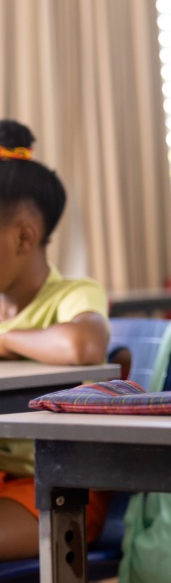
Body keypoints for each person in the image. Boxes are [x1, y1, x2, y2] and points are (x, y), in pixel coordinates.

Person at [0, 120, 111, 560]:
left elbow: (82, 345)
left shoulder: (72, 294)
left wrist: (6, 338)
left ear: (24, 236)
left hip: (57, 486)